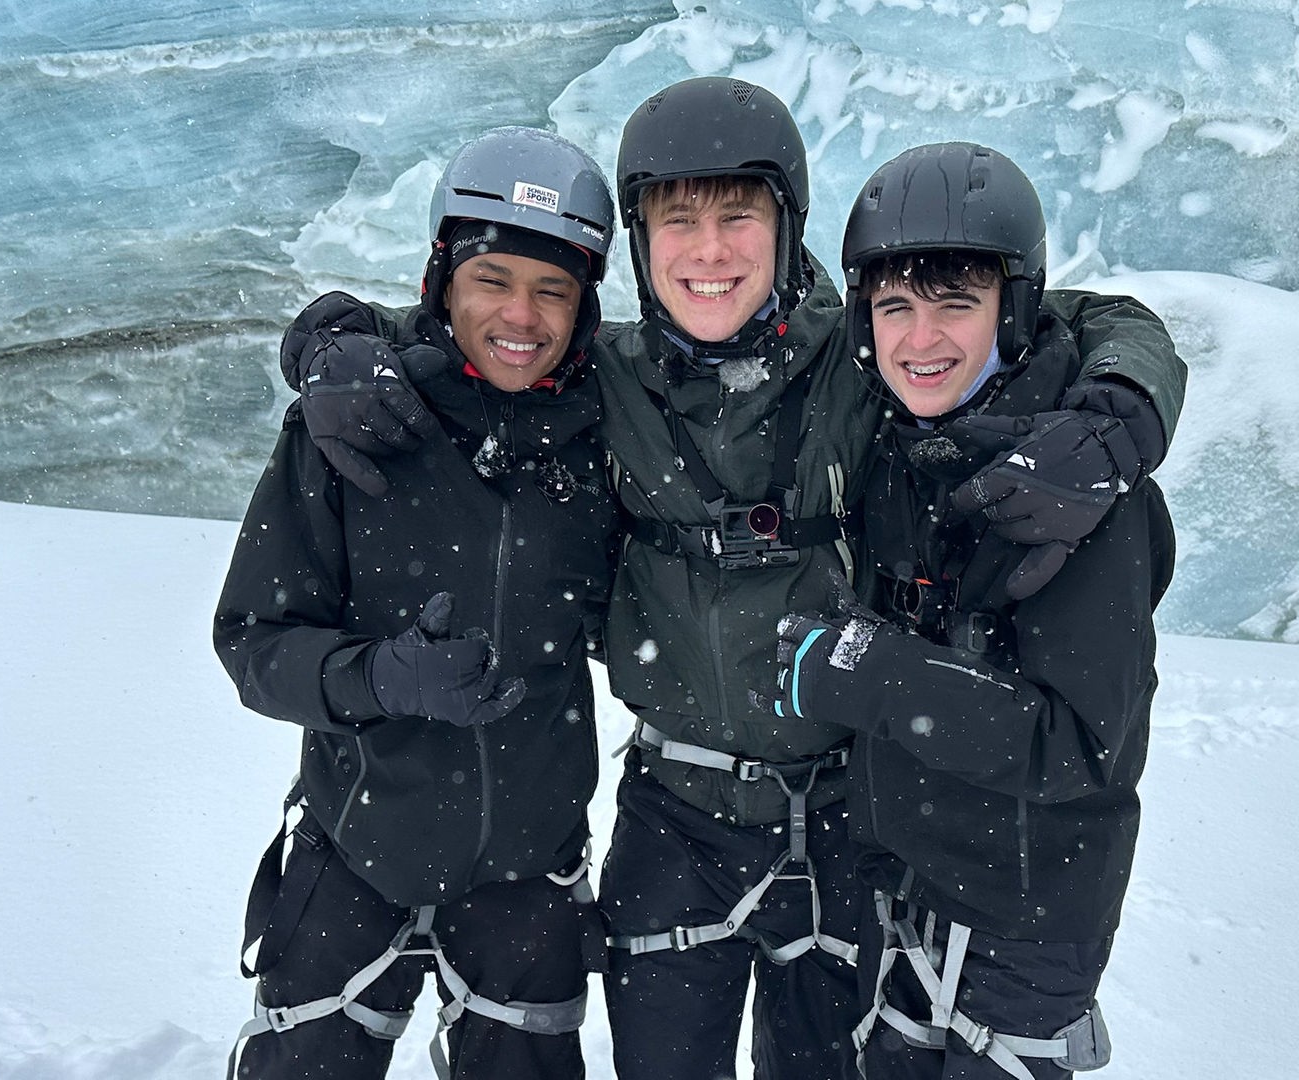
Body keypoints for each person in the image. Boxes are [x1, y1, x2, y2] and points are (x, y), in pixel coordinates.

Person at [275, 78, 1186, 1079]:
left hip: (849, 823)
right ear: (637, 241)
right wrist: (327, 335)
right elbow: (462, 333)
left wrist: (1125, 407)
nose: (709, 253)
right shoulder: (599, 377)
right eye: (678, 221)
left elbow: (1064, 316)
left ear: (787, 225)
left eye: (737, 216)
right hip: (675, 818)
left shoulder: (874, 357)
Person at [213, 126, 622, 1080]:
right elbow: (253, 644)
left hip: (530, 861)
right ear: (442, 275)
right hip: (357, 837)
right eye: (494, 280)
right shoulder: (356, 417)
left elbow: (743, 338)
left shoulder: (608, 425)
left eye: (553, 289)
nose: (520, 315)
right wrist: (380, 679)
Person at [767, 141, 1173, 1079]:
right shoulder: (908, 438)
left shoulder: (1081, 486)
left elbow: (1082, 747)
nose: (923, 339)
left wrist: (877, 676)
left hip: (1027, 924)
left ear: (1013, 310)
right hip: (914, 885)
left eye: (957, 302)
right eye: (896, 307)